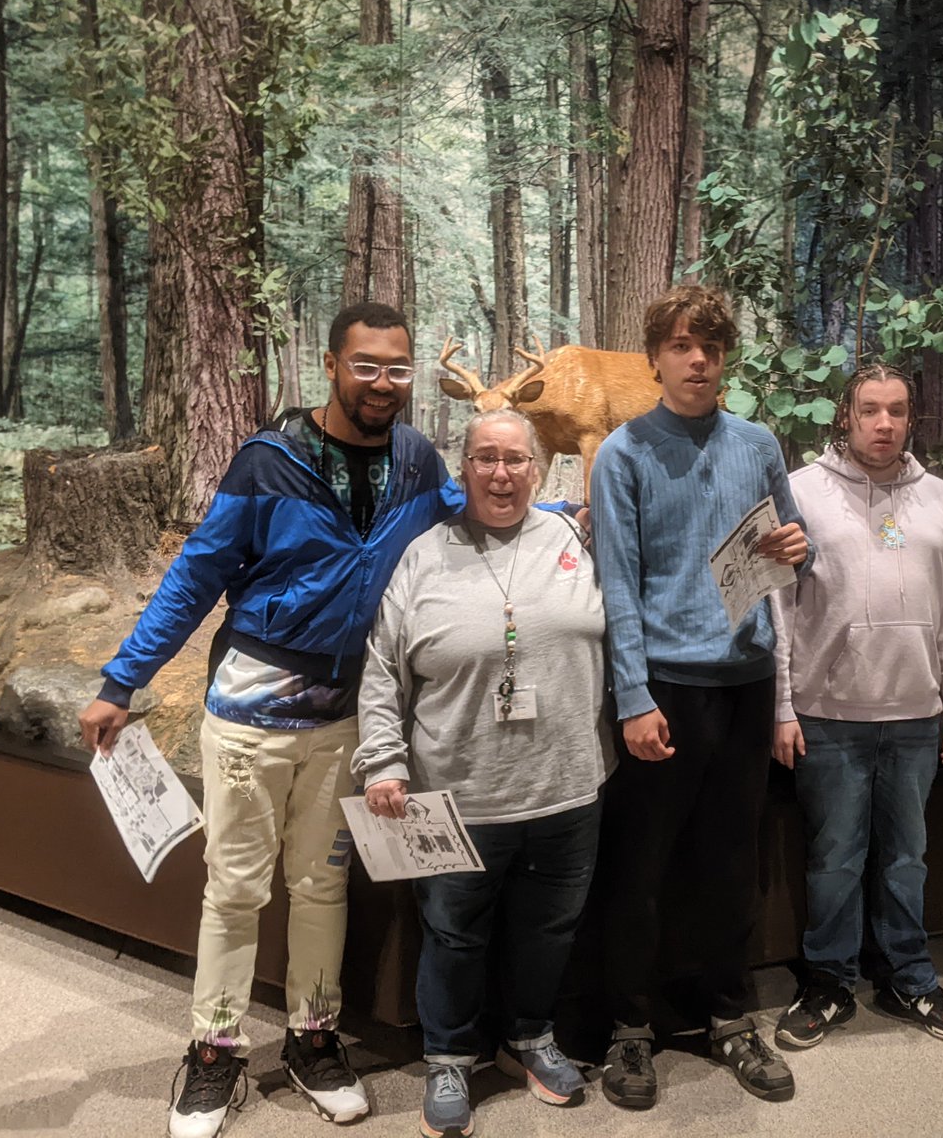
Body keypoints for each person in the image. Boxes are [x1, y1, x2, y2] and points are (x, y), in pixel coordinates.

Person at [78, 303, 467, 1138]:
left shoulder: (416, 461)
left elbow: (472, 513)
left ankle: (313, 1038)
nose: (383, 383)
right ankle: (214, 1052)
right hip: (252, 714)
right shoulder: (269, 461)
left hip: (348, 720)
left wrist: (564, 523)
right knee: (236, 890)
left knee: (322, 886)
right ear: (331, 366)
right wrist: (121, 680)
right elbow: (196, 576)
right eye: (366, 366)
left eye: (397, 368)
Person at [355, 409, 613, 1138]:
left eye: (515, 459)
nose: (501, 473)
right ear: (462, 468)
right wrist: (383, 761)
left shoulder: (572, 538)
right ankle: (447, 1056)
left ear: (538, 468)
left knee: (551, 928)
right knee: (454, 934)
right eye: (485, 459)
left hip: (567, 784)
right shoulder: (424, 558)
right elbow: (381, 672)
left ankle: (528, 1037)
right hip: (459, 793)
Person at [589, 284, 811, 1110]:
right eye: (681, 346)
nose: (696, 360)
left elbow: (794, 556)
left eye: (710, 348)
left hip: (746, 684)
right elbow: (618, 589)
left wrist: (799, 547)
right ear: (655, 356)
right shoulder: (623, 454)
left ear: (726, 359)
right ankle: (629, 1033)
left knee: (729, 866)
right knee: (640, 869)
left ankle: (729, 1019)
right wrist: (634, 697)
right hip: (668, 693)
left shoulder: (757, 443)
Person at [770, 363, 943, 1049]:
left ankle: (908, 978)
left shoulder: (941, 501)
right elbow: (775, 609)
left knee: (906, 858)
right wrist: (781, 706)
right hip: (827, 714)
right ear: (846, 415)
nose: (883, 423)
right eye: (869, 410)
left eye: (895, 410)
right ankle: (828, 981)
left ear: (911, 418)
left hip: (918, 714)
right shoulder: (800, 493)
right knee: (834, 858)